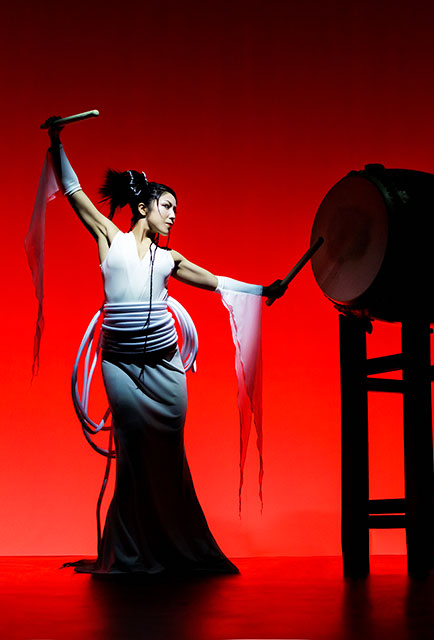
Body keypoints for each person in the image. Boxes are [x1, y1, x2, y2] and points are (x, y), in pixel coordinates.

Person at [42, 118, 286, 577]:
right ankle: (131, 550)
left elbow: (216, 282)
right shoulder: (109, 239)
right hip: (120, 364)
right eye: (167, 206)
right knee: (133, 453)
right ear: (143, 207)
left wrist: (261, 291)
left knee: (168, 452)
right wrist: (56, 144)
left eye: (176, 209)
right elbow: (74, 193)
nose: (173, 215)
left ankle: (175, 544)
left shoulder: (170, 259)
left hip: (165, 367)